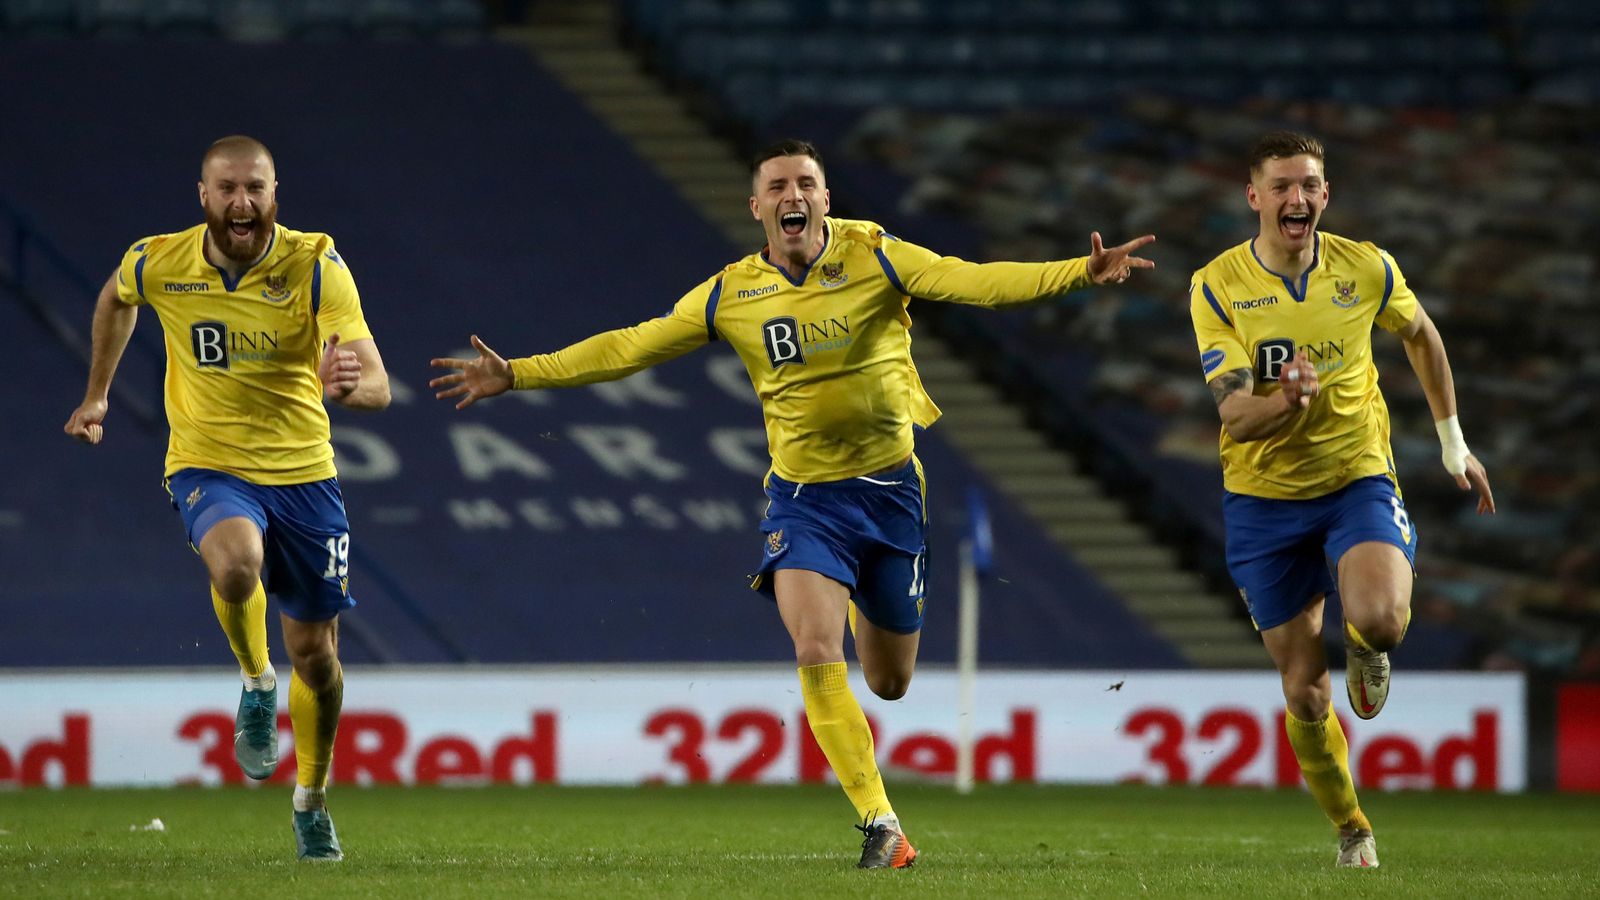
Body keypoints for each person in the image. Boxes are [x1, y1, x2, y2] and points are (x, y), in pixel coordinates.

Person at [431, 138, 1154, 869]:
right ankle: (882, 824)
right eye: (776, 185)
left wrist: (1077, 272)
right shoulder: (732, 292)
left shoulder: (877, 255)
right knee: (813, 646)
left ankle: (877, 626)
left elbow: (971, 282)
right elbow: (632, 345)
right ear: (757, 208)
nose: (791, 194)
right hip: (804, 502)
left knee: (889, 681)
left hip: (892, 494)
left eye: (805, 182)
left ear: (826, 199)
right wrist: (518, 374)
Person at [63, 135, 390, 861]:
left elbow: (377, 383)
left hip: (305, 474)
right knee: (236, 564)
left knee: (320, 657)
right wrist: (97, 396)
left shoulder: (315, 268)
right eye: (229, 189)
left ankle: (311, 801)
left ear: (277, 194)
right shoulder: (160, 259)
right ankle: (254, 680)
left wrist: (349, 388)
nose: (243, 203)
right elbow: (118, 296)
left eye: (256, 188)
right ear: (203, 196)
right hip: (209, 463)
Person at [1187, 131, 1495, 868]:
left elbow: (1422, 335)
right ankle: (1353, 825)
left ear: (1325, 194)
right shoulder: (1216, 285)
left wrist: (1453, 441)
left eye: (1311, 185)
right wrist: (1287, 403)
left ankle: (1366, 646)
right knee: (1306, 695)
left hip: (1355, 477)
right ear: (1254, 197)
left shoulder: (1367, 267)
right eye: (1283, 186)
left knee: (1382, 619)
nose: (1298, 199)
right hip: (1261, 500)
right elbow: (1231, 412)